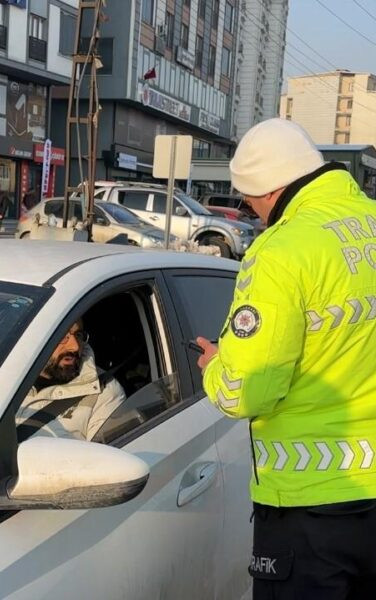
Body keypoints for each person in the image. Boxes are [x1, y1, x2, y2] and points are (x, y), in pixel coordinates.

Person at [196, 118, 376, 598]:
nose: (251, 213)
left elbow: (246, 390)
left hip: (310, 509)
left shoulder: (282, 250)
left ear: (269, 190)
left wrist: (216, 367)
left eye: (248, 199)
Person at [16, 320, 126, 441]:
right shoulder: (2, 378)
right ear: (36, 338)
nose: (75, 346)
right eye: (62, 335)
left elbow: (103, 458)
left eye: (78, 335)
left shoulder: (104, 393)